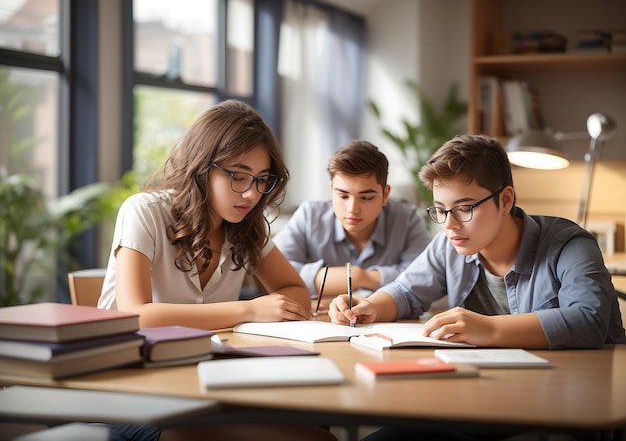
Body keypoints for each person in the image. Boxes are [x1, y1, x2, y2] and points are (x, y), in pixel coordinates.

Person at [98, 100, 336, 441]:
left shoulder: (245, 228)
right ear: (201, 167)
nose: (252, 193)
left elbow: (294, 290)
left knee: (316, 422)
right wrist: (251, 309)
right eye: (238, 177)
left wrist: (266, 311)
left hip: (200, 378)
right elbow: (137, 316)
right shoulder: (145, 212)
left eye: (261, 180)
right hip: (127, 386)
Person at [330, 133, 626, 349]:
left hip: (568, 402)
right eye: (440, 210)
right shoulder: (450, 243)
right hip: (480, 395)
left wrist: (489, 328)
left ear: (505, 199)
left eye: (465, 208)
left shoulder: (570, 246)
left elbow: (589, 321)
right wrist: (368, 306)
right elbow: (406, 292)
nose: (449, 224)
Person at [274, 139, 430, 301]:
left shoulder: (407, 219)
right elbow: (276, 273)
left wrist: (363, 277)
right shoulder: (309, 215)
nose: (352, 209)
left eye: (366, 197)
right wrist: (354, 277)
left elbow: (422, 279)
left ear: (385, 195)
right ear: (331, 190)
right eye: (342, 196)